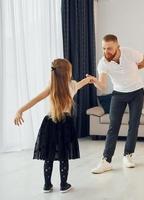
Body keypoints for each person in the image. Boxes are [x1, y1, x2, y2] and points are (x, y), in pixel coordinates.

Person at [14, 58, 92, 193]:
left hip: (50, 122)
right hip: (65, 123)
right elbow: (80, 84)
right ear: (68, 73)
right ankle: (63, 185)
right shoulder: (72, 85)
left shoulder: (52, 86)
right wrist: (89, 79)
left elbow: (35, 99)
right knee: (63, 155)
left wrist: (20, 110)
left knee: (49, 155)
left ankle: (47, 185)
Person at [88, 34, 144, 174]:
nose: (106, 52)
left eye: (109, 48)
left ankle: (128, 155)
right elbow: (103, 86)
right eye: (104, 48)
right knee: (113, 127)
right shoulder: (103, 63)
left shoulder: (130, 53)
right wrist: (95, 81)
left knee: (133, 124)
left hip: (136, 92)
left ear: (118, 46)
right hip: (118, 93)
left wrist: (133, 70)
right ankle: (106, 161)